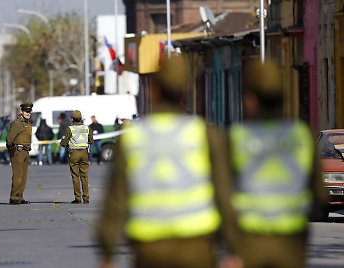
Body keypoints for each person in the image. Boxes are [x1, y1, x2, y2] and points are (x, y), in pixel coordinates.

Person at [96, 56, 228, 268]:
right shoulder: (205, 134)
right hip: (197, 246)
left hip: (149, 247)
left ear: (153, 91)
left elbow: (116, 199)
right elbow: (224, 194)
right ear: (185, 92)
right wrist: (234, 249)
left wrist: (107, 252)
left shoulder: (132, 137)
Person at [223, 59, 328, 268]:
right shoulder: (302, 135)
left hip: (249, 243)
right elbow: (319, 195)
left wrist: (232, 247)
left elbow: (224, 199)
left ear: (251, 98)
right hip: (291, 244)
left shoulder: (237, 137)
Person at [60, 110, 94, 204]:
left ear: (73, 119)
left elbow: (64, 143)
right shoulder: (87, 128)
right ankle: (86, 198)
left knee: (75, 176)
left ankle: (77, 198)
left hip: (74, 153)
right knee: (84, 176)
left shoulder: (70, 129)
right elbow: (91, 141)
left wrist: (62, 142)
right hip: (84, 154)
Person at [6, 102, 33, 205]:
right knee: (18, 176)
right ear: (22, 111)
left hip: (25, 151)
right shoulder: (17, 123)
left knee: (24, 176)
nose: (28, 113)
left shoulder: (27, 123)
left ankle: (20, 196)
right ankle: (14, 197)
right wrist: (12, 150)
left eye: (29, 111)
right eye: (26, 111)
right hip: (18, 152)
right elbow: (9, 139)